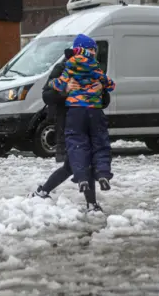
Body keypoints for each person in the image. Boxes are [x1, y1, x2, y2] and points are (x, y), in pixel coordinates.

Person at [30, 47, 111, 212]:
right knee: (80, 162)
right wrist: (65, 90)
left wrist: (99, 91)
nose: (92, 54)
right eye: (90, 50)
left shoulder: (94, 69)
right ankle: (91, 203)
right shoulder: (63, 68)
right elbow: (47, 95)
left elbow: (105, 100)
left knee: (73, 164)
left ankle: (43, 191)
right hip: (69, 123)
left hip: (89, 123)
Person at [49, 34, 115, 196]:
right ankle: (103, 174)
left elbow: (56, 84)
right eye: (92, 49)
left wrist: (59, 85)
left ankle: (82, 179)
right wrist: (103, 85)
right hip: (95, 111)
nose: (93, 52)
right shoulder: (96, 68)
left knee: (77, 146)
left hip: (76, 111)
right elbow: (111, 84)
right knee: (101, 144)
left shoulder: (69, 67)